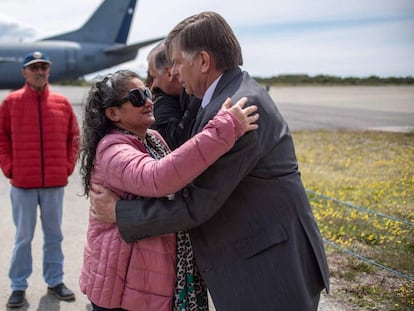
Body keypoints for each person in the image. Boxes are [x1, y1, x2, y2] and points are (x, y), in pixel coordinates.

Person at [91, 11, 330, 310]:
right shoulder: (225, 98)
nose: (174, 72)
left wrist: (119, 213)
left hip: (269, 270)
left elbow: (196, 204)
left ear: (203, 61)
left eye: (177, 62)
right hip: (260, 257)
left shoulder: (240, 108)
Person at [78, 69, 258, 310]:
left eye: (146, 92)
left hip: (146, 277)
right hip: (124, 288)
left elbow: (178, 179)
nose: (148, 101)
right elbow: (158, 178)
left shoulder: (151, 137)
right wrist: (225, 128)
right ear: (113, 113)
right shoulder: (113, 150)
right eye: (137, 97)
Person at [0, 51, 79, 308]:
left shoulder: (62, 103)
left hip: (54, 183)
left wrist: (67, 166)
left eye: (44, 66)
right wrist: (9, 167)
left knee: (54, 236)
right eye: (34, 67)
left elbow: (74, 137)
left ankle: (55, 281)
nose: (40, 71)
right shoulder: (10, 103)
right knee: (23, 237)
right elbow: (2, 138)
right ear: (24, 72)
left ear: (49, 70)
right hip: (22, 184)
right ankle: (18, 286)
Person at [147, 40, 200, 150]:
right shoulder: (169, 101)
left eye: (155, 77)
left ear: (169, 72)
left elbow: (172, 146)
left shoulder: (198, 96)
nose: (154, 85)